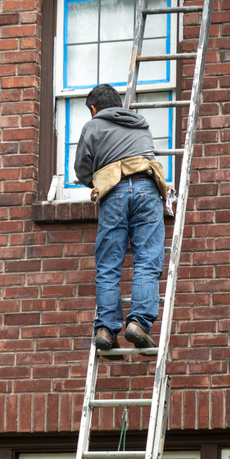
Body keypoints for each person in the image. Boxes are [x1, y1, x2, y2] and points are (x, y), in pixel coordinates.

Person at [73, 84, 167, 355]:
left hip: (113, 193)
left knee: (108, 265)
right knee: (148, 261)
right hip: (148, 190)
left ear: (94, 109)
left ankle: (105, 329)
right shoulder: (141, 124)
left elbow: (82, 170)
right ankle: (138, 323)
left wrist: (97, 180)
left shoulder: (92, 127)